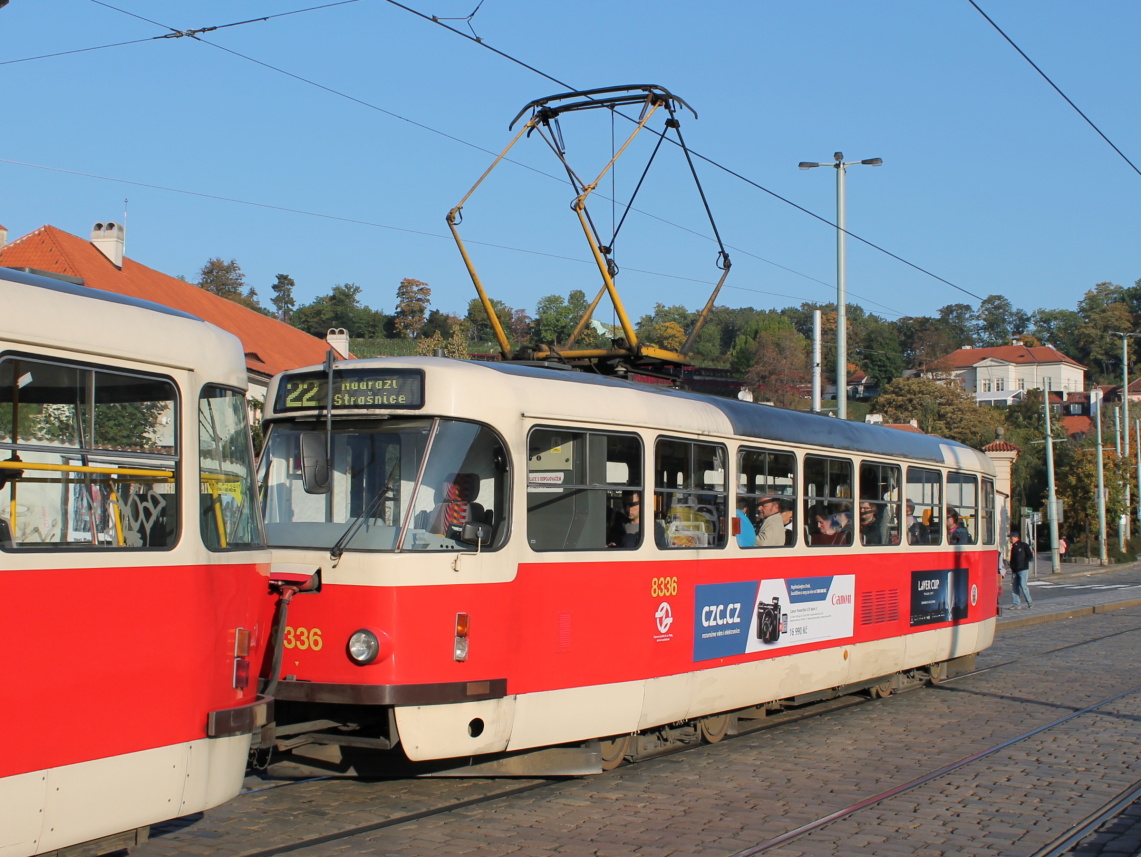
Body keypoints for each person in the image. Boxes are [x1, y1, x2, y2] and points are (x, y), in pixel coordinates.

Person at [1008, 530, 1034, 609]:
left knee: (1023, 585)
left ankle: (1029, 602)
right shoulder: (1013, 547)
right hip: (1015, 570)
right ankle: (1016, 604)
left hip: (1023, 569)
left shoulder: (1023, 545)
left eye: (1011, 537)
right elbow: (1012, 558)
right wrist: (1011, 566)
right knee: (1015, 587)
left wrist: (1024, 563)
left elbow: (1030, 556)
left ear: (1016, 537)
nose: (1010, 539)